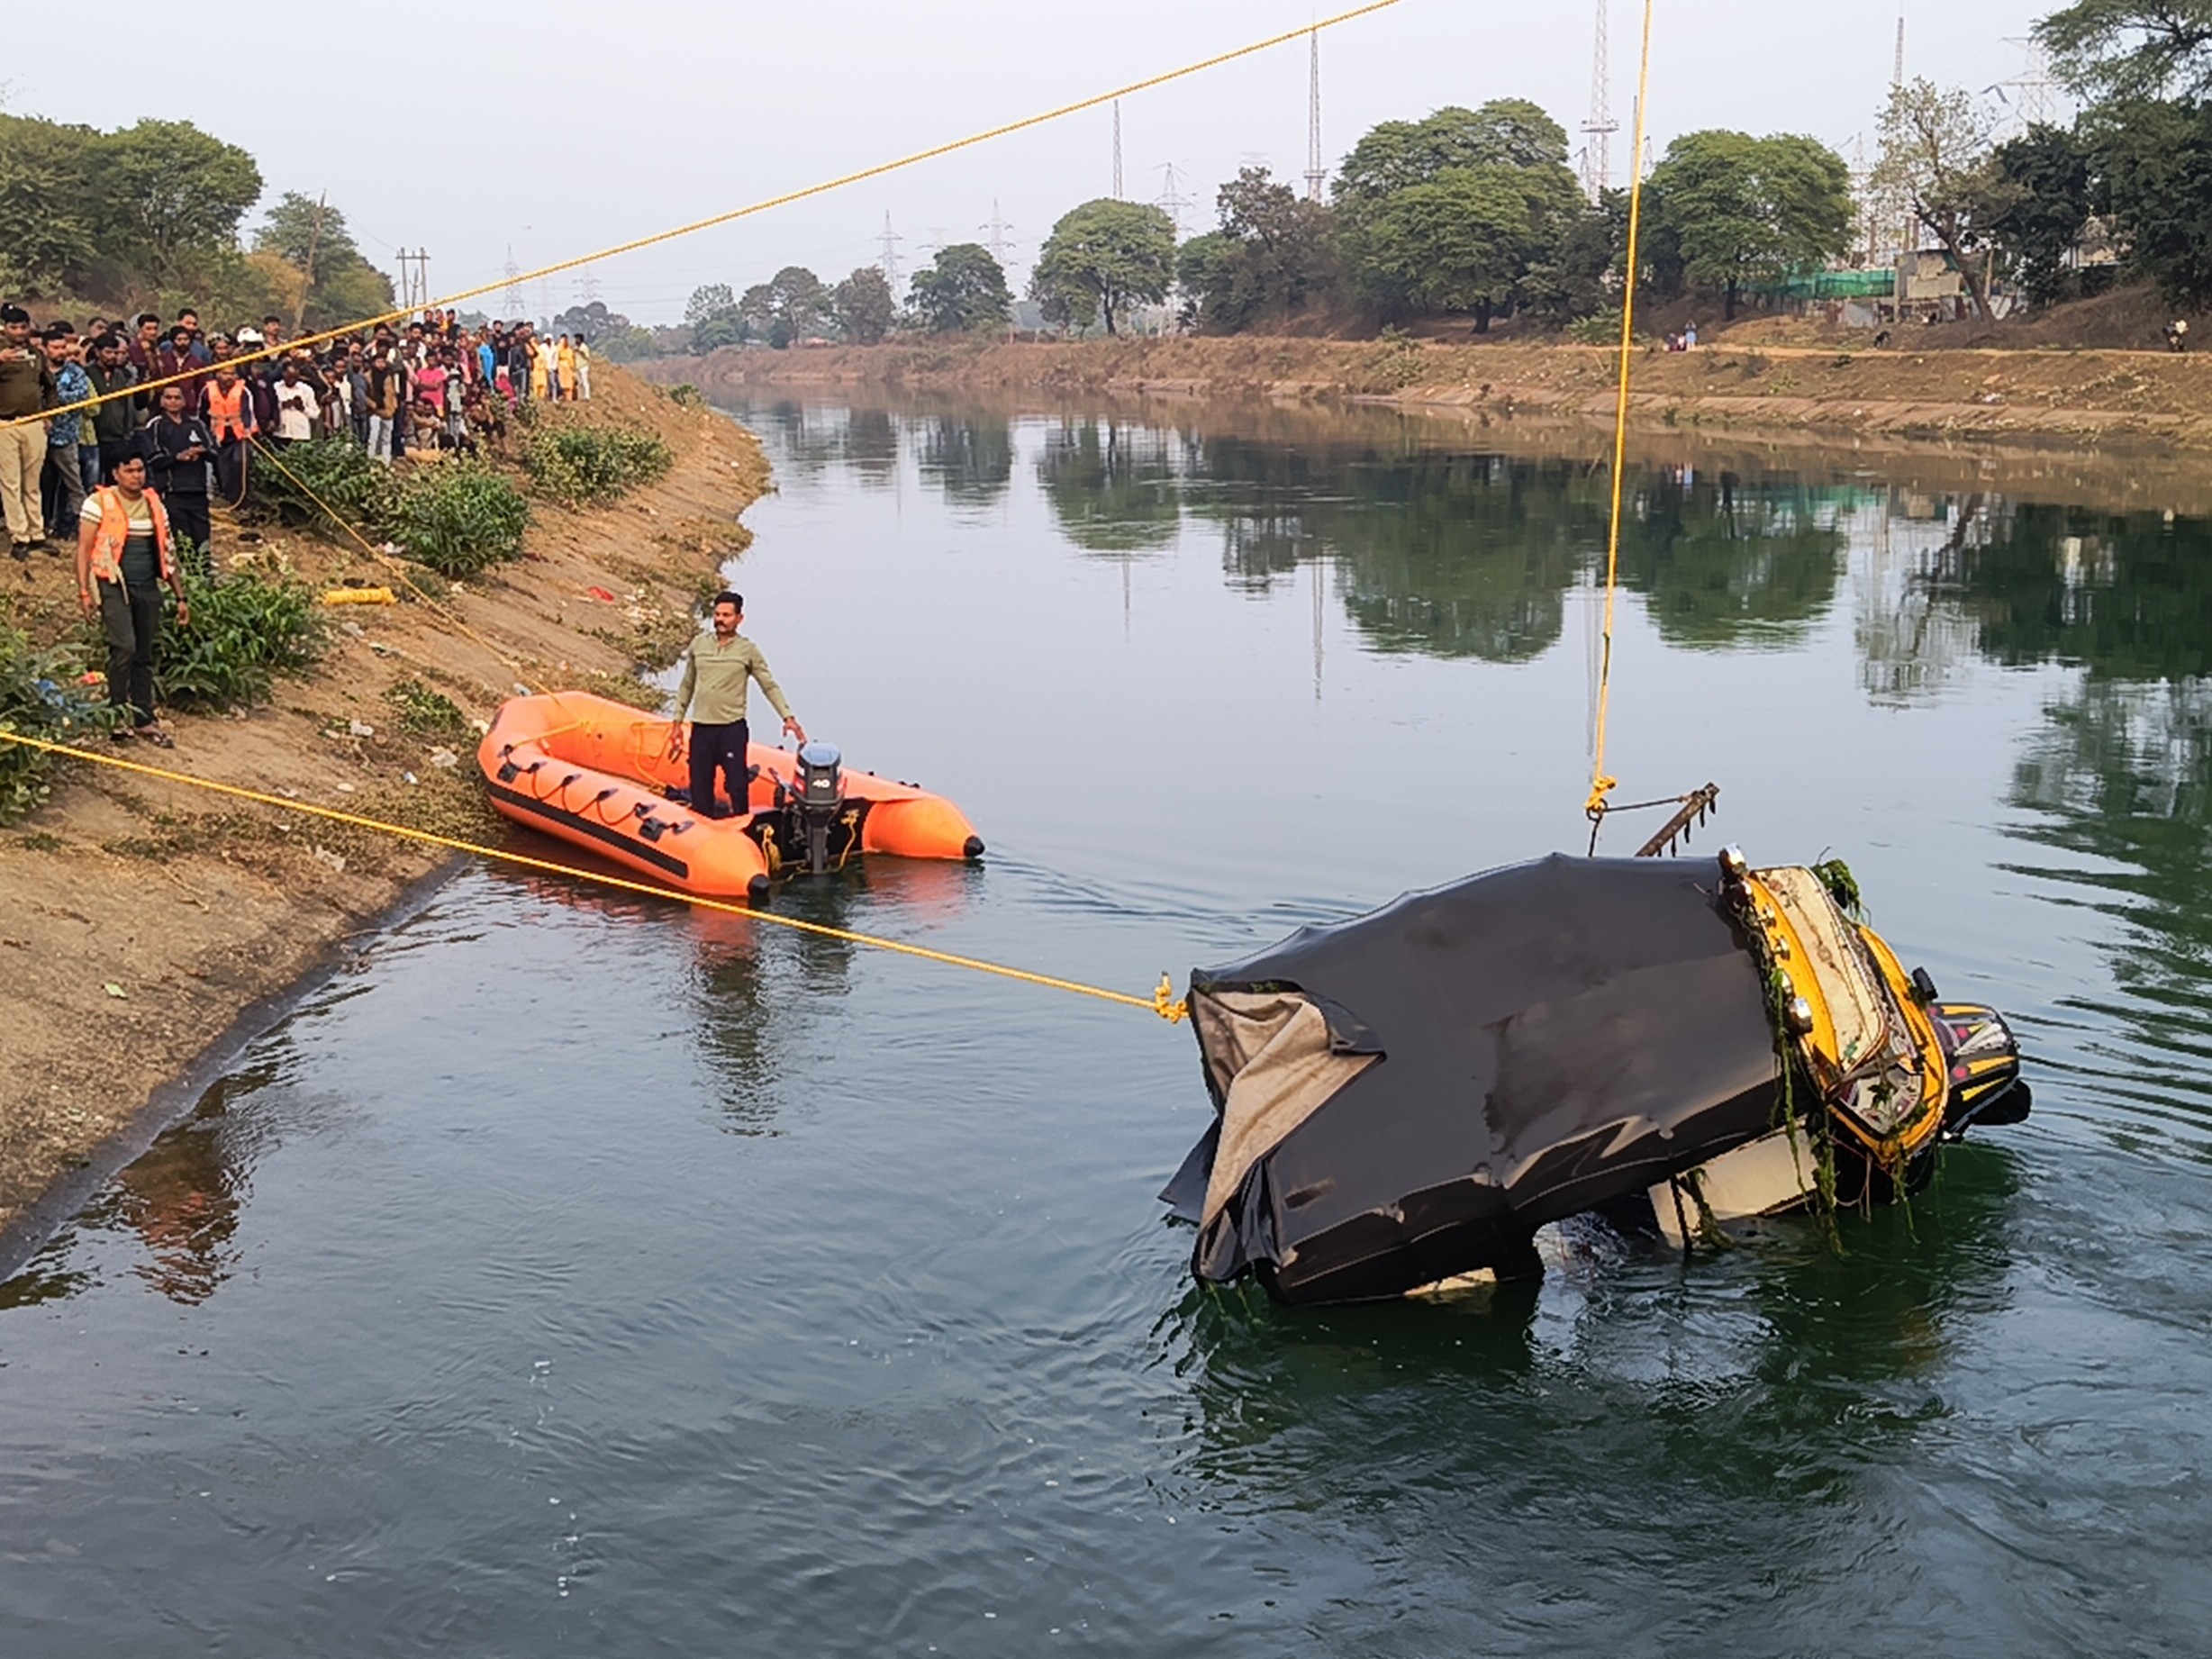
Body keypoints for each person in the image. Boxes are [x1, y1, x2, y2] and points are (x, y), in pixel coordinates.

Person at [77, 451, 189, 746]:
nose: (136, 476)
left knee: (143, 653)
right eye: (129, 470)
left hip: (147, 586)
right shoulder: (98, 503)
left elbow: (168, 552)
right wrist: (84, 592)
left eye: (140, 470)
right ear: (115, 473)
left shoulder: (154, 505)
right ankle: (115, 715)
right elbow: (84, 549)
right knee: (124, 646)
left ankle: (143, 718)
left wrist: (180, 596)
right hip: (112, 583)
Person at [666, 591, 805, 820]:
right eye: (717, 614)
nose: (720, 619)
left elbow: (768, 685)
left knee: (738, 785)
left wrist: (787, 717)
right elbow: (687, 685)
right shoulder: (699, 644)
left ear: (739, 619)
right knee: (700, 787)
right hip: (701, 728)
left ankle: (742, 827)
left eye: (727, 615)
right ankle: (702, 834)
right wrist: (677, 722)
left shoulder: (747, 650)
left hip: (731, 729)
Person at [138, 384, 216, 573]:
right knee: (182, 538)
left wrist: (201, 451)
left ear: (184, 401)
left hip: (198, 489)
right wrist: (177, 458)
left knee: (202, 536)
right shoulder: (156, 425)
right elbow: (153, 459)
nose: (173, 402)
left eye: (177, 398)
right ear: (163, 401)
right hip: (173, 491)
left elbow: (214, 452)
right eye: (169, 398)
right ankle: (190, 575)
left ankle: (205, 575)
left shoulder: (196, 424)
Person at [0, 303, 56, 558]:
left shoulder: (37, 354)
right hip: (5, 424)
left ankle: (37, 533)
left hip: (35, 423)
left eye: (24, 327)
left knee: (32, 482)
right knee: (10, 482)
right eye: (14, 327)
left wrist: (49, 414)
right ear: (4, 328)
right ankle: (19, 535)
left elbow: (50, 387)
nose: (20, 332)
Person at [41, 325, 89, 540]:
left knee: (74, 485)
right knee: (39, 486)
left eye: (63, 347)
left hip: (66, 437)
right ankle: (40, 527)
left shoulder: (75, 372)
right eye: (55, 347)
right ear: (45, 349)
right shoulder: (36, 370)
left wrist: (54, 396)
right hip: (38, 436)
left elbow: (81, 396)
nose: (60, 351)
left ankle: (81, 527)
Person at [200, 361, 255, 507]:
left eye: (232, 374)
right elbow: (202, 414)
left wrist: (248, 430)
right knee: (222, 467)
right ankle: (228, 497)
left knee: (239, 463)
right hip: (217, 435)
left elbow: (249, 413)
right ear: (217, 374)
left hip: (239, 435)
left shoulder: (244, 391)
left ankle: (242, 498)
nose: (229, 377)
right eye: (225, 373)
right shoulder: (207, 390)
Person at [86, 335, 139, 485]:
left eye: (116, 353)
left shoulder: (121, 375)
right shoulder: (87, 373)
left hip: (118, 438)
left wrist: (127, 433)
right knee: (94, 483)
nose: (113, 357)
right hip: (95, 439)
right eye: (108, 352)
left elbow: (127, 405)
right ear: (97, 352)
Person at [271, 358, 320, 444]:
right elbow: (269, 410)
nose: (292, 380)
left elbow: (316, 414)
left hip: (300, 434)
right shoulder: (275, 388)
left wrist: (302, 408)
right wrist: (282, 405)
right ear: (284, 373)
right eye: (290, 376)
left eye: (295, 377)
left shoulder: (306, 390)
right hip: (281, 434)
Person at [573, 334, 592, 401]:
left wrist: (580, 352)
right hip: (578, 367)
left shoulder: (584, 347)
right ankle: (580, 396)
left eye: (577, 339)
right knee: (579, 382)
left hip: (583, 366)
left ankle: (587, 396)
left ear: (580, 339)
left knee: (584, 381)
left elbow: (587, 357)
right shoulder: (575, 347)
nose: (576, 340)